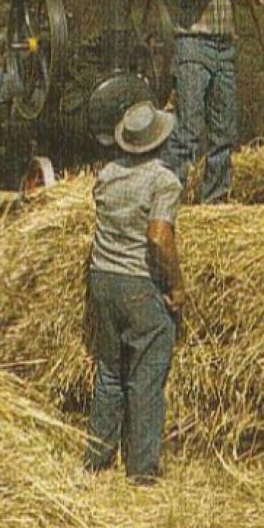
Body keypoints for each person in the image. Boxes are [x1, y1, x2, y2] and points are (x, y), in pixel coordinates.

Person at [85, 101, 184, 483]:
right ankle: (141, 471)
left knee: (109, 370)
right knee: (146, 372)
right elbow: (159, 238)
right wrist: (176, 285)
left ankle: (96, 458)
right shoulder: (163, 181)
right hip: (137, 283)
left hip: (102, 279)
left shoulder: (107, 174)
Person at [163, 0, 264, 203]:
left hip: (225, 49)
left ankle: (215, 198)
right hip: (193, 47)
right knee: (189, 128)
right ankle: (170, 199)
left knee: (224, 132)